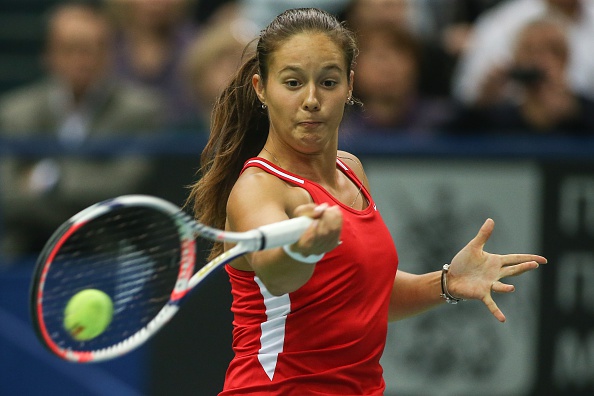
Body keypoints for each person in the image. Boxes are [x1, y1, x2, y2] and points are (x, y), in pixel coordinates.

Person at [187, 8, 547, 395]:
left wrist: (446, 282)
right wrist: (304, 249)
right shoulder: (258, 188)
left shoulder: (351, 169)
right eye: (292, 83)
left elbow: (363, 296)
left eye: (328, 82)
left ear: (349, 85)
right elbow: (277, 275)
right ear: (262, 88)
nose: (311, 100)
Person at [0, 2, 165, 257]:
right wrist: (83, 200)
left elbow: (121, 188)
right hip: (27, 252)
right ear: (48, 54)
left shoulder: (141, 111)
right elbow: (8, 196)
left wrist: (50, 179)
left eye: (91, 50)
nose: (81, 60)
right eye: (70, 49)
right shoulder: (15, 113)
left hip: (109, 251)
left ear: (109, 54)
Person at [448, 16, 594, 134]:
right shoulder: (499, 117)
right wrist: (480, 105)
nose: (541, 61)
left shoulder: (584, 111)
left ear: (567, 57)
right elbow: (449, 136)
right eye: (531, 50)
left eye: (553, 50)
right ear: (516, 58)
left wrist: (575, 114)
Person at [451, 0, 594, 106]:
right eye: (532, 50)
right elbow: (465, 95)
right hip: (511, 133)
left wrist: (576, 108)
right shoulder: (503, 23)